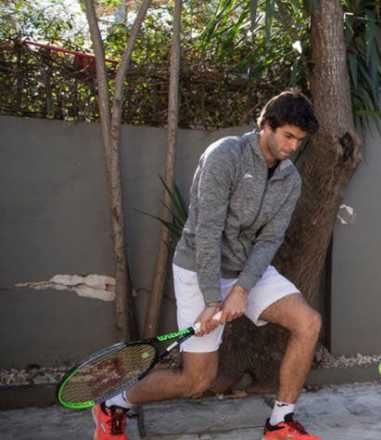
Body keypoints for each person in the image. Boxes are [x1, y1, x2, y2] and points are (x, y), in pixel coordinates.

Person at [92, 89, 323, 440]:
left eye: (299, 140)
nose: (293, 146)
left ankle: (279, 423)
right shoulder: (225, 156)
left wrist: (242, 289)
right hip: (201, 268)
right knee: (196, 381)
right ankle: (114, 404)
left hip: (247, 270)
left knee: (308, 323)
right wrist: (213, 300)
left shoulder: (289, 179)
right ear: (265, 126)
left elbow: (269, 240)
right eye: (288, 136)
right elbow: (207, 233)